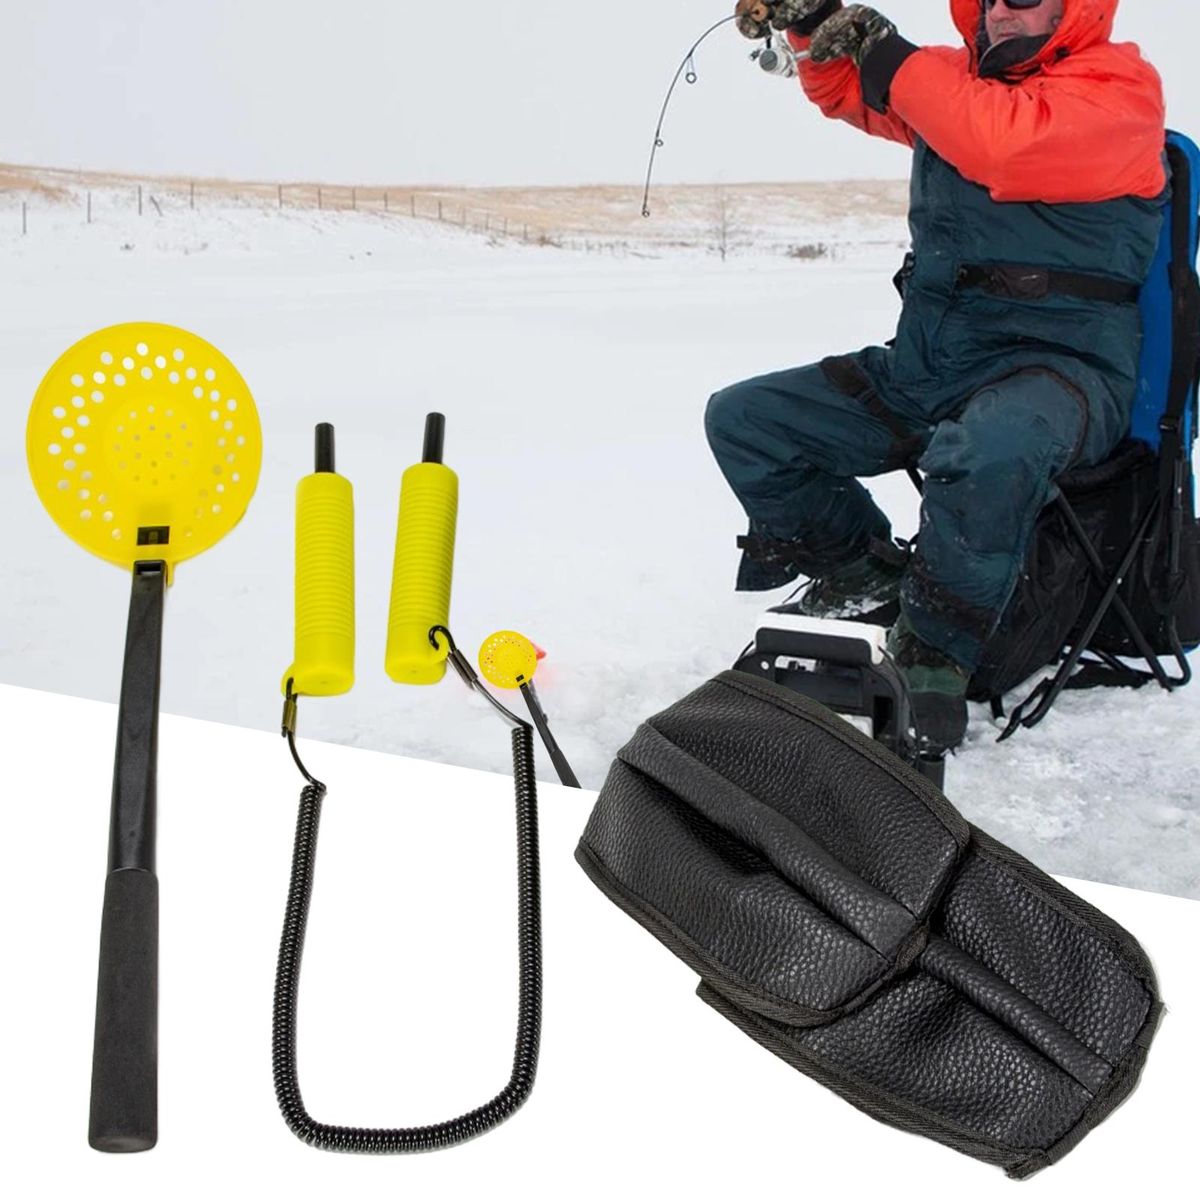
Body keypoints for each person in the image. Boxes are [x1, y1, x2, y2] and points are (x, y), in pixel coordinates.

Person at [706, 0, 1167, 750]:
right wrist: (817, 27)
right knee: (748, 421)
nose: (999, 12)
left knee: (987, 447)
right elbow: (849, 92)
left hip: (1063, 372)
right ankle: (861, 572)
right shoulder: (957, 84)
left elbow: (1004, 146)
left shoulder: (1118, 90)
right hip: (932, 367)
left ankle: (935, 648)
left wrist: (890, 54)